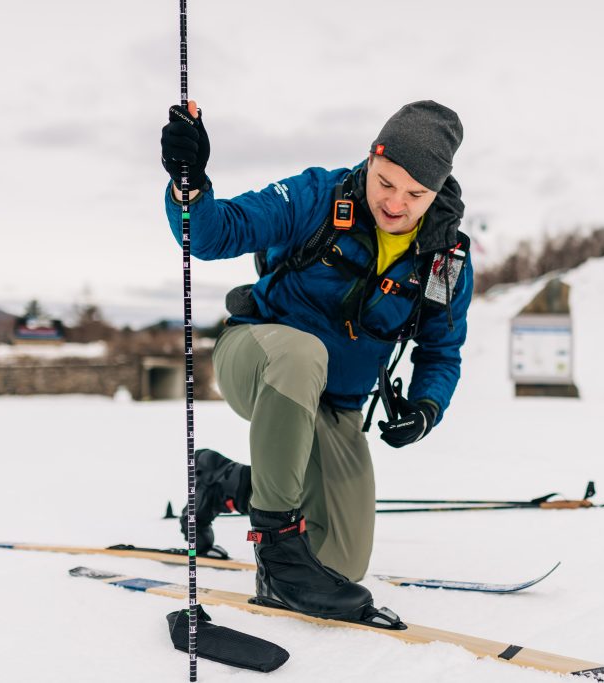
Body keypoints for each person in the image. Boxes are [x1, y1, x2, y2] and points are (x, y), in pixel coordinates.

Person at [160, 100, 473, 625]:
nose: (395, 203)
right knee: (305, 354)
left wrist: (424, 406)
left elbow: (441, 350)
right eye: (385, 182)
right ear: (371, 159)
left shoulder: (444, 260)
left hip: (336, 403)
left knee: (342, 565)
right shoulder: (317, 196)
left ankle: (220, 480)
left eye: (415, 194)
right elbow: (215, 233)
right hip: (258, 359)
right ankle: (278, 547)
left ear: (438, 191)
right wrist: (188, 187)